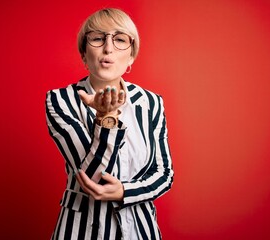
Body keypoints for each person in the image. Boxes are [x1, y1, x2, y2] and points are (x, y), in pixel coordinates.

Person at [45, 8, 174, 240]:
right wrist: (107, 117)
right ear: (84, 54)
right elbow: (92, 177)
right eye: (97, 38)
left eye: (120, 39)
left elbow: (164, 174)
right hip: (81, 231)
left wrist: (125, 191)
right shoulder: (60, 100)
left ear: (132, 56)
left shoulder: (151, 103)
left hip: (140, 230)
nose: (109, 47)